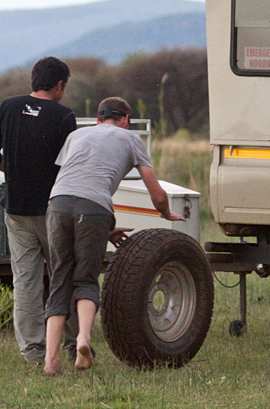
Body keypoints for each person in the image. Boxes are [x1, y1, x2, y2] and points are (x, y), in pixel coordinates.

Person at [42, 96, 186, 376]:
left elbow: (73, 182)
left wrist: (102, 230)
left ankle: (51, 361)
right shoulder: (130, 140)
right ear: (125, 120)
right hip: (94, 208)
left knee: (59, 280)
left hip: (57, 204)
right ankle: (83, 339)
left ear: (98, 118)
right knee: (85, 279)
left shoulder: (76, 135)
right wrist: (167, 213)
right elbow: (157, 194)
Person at [0, 56, 79, 365]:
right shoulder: (64, 116)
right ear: (60, 85)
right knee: (65, 277)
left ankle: (33, 353)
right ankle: (74, 345)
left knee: (26, 283)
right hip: (53, 210)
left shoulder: (8, 106)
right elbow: (70, 166)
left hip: (16, 210)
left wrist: (10, 170)